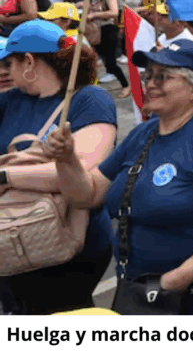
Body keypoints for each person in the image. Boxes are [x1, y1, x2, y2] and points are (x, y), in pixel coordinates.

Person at [49, 40, 193, 314]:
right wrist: (66, 158)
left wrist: (176, 279)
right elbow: (86, 195)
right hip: (142, 287)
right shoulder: (143, 133)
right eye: (148, 76)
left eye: (163, 77)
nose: (150, 84)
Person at [0, 21, 117, 314]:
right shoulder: (11, 101)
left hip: (65, 242)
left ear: (29, 61)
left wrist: (6, 176)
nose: (5, 72)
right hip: (11, 235)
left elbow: (81, 174)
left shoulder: (90, 99)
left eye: (8, 63)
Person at [85, 0, 130, 98]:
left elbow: (114, 12)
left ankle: (126, 85)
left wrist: (94, 15)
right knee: (99, 60)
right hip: (98, 30)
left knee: (111, 63)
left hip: (108, 30)